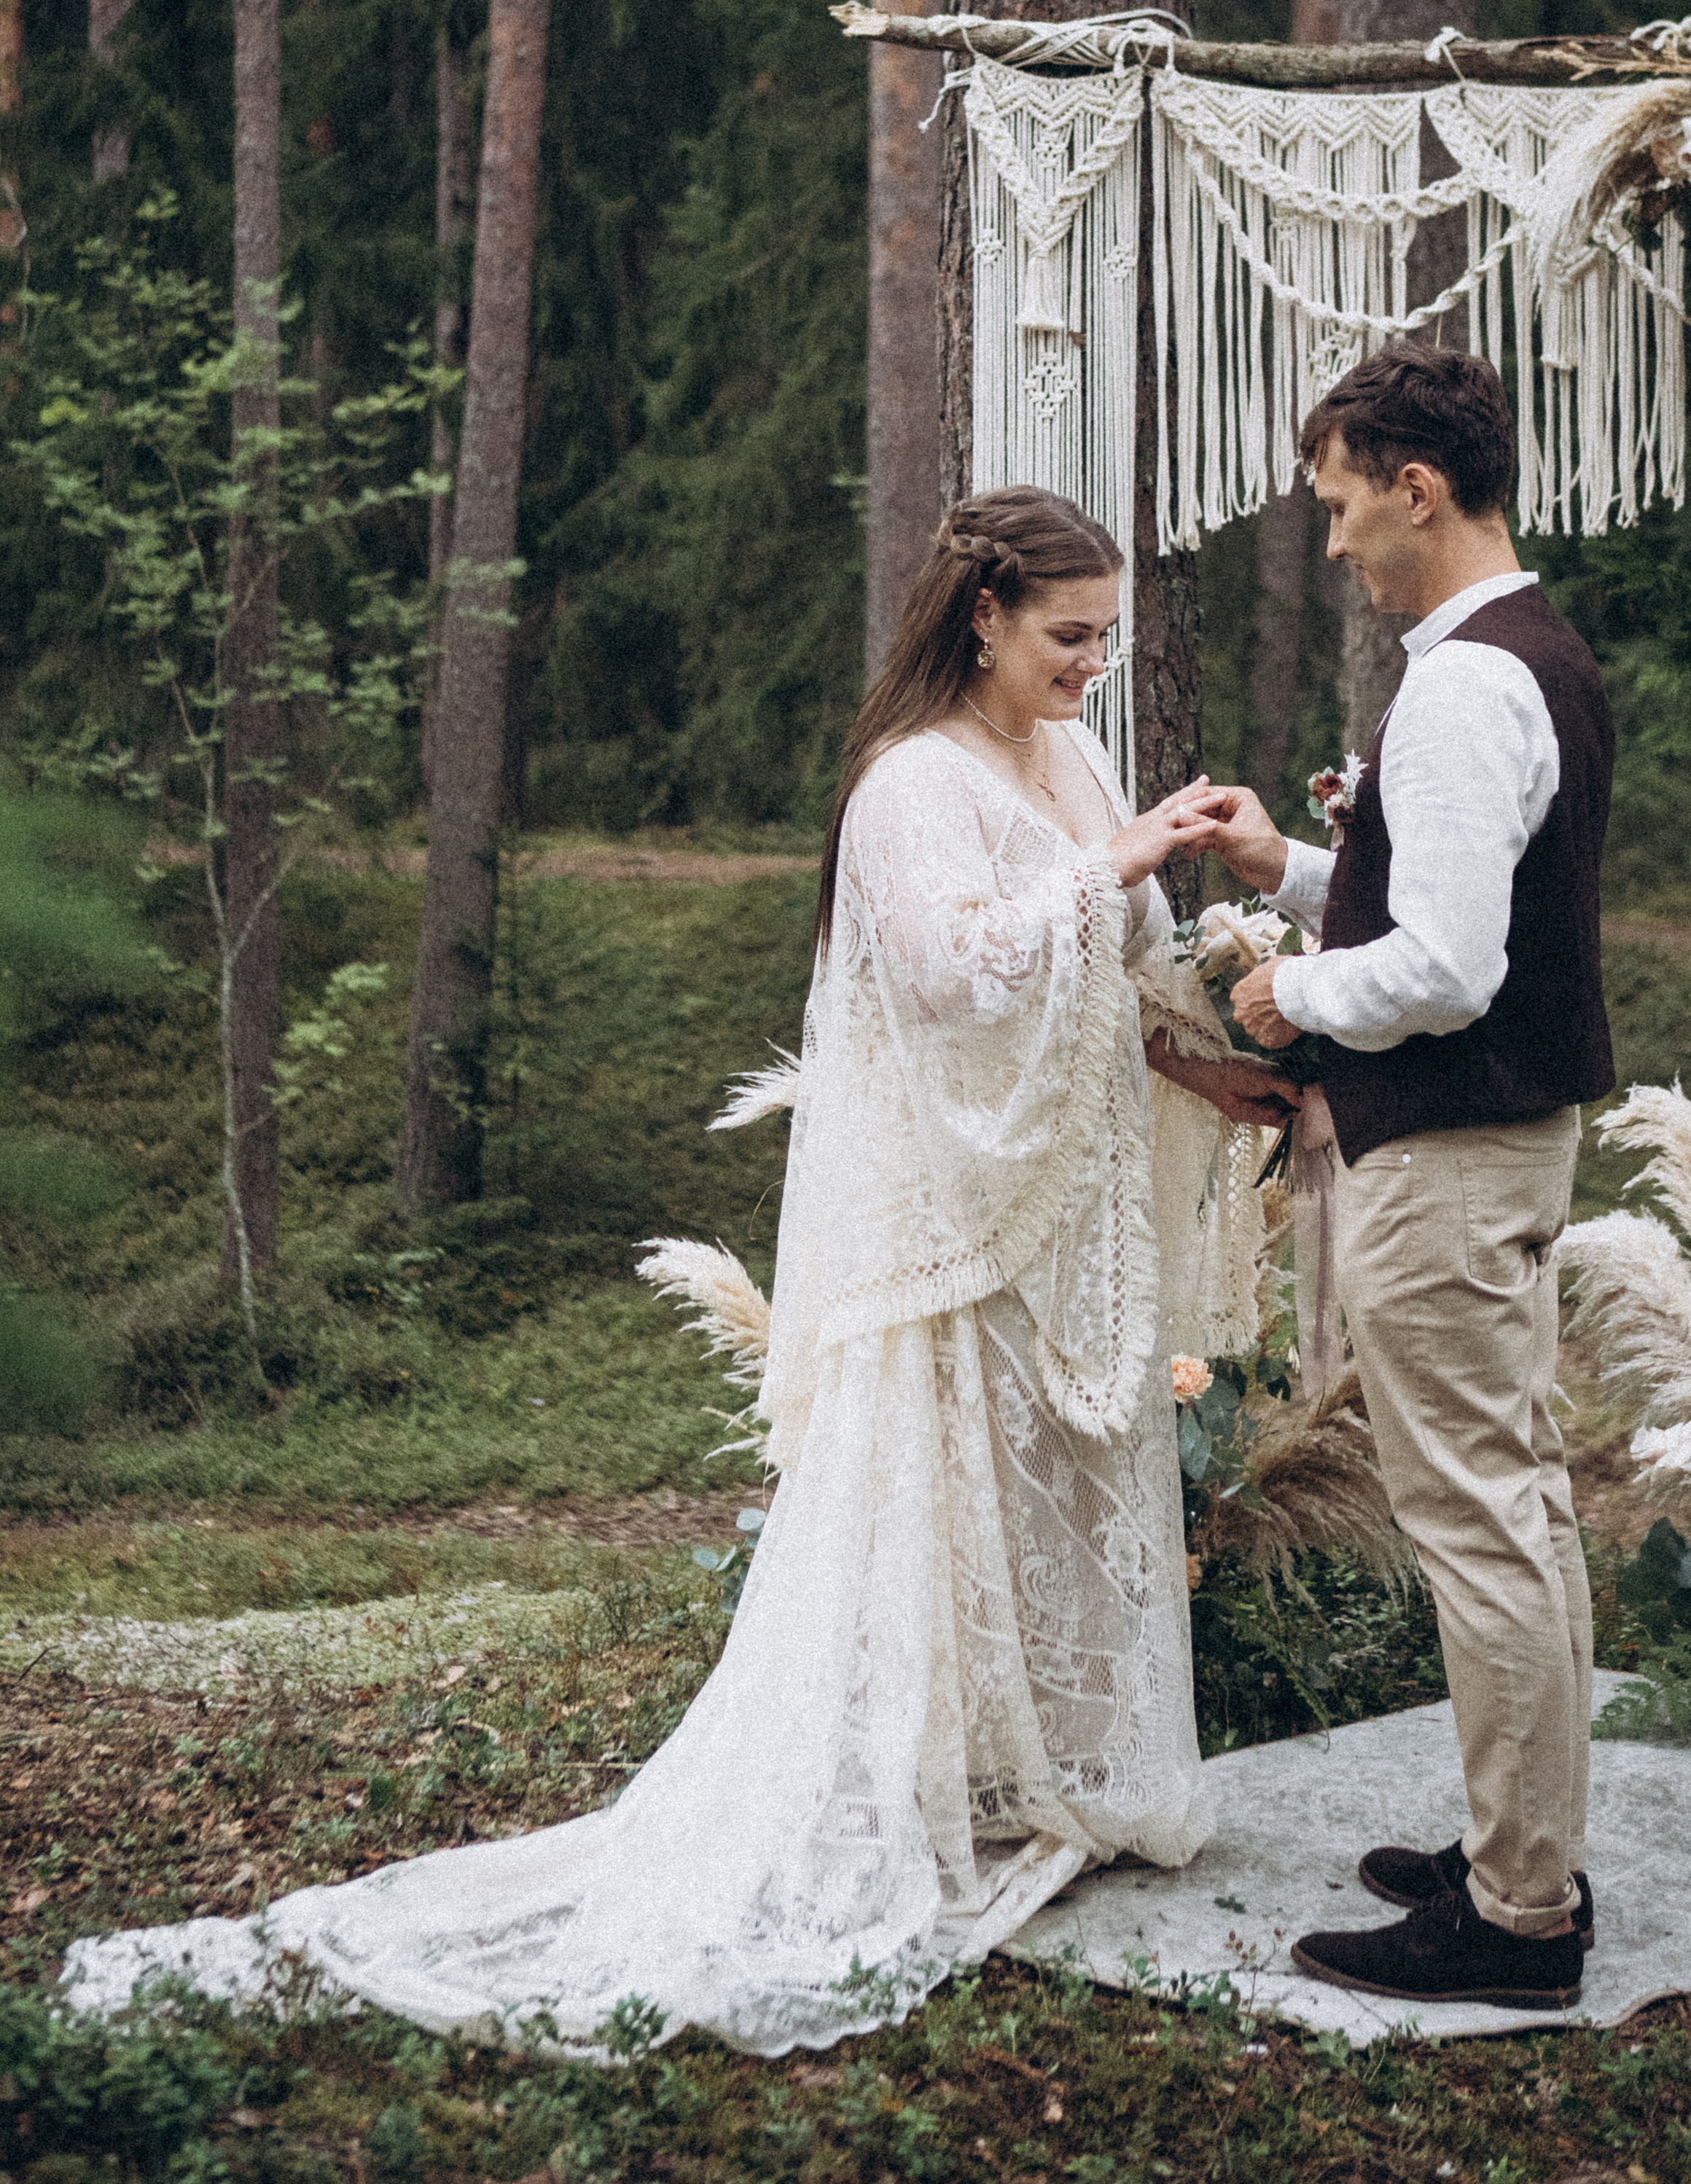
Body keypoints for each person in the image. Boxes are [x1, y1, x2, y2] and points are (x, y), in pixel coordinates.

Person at [63, 486, 1294, 2057]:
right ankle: (906, 1794)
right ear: (979, 614)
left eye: (1106, 642)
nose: (1090, 670)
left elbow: (1098, 980)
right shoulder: (906, 786)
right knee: (936, 1510)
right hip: (949, 1216)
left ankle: (1032, 1778)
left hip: (1060, 1204)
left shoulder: (1067, 755)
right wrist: (1116, 855)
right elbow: (944, 970)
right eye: (1069, 637)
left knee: (1051, 1499)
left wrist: (1211, 1068)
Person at [1208, 339, 1613, 2012]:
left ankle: (1517, 1922)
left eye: (1336, 503)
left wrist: (1281, 989)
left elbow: (1442, 968)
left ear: (1413, 488)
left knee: (1476, 1518)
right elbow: (1455, 905)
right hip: (1497, 1131)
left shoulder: (1458, 682)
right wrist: (1294, 869)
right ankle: (1528, 1854)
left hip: (1444, 1149)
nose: (1330, 542)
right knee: (1511, 1501)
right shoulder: (1533, 654)